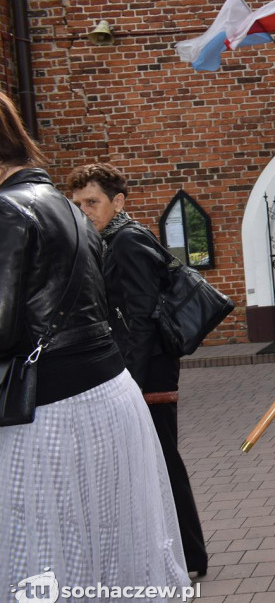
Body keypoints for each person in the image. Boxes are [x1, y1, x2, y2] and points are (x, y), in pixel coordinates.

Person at [0, 93, 190, 603]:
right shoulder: (72, 208)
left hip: (48, 410)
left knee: (40, 560)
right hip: (105, 397)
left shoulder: (8, 209)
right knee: (103, 555)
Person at [67, 164, 208, 578]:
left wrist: (127, 381)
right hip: (141, 369)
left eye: (92, 202)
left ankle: (190, 555)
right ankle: (179, 554)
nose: (84, 211)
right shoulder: (109, 240)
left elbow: (142, 319)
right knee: (153, 463)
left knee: (163, 462)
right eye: (77, 204)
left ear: (118, 201)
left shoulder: (126, 241)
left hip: (148, 374)